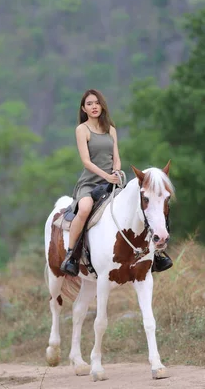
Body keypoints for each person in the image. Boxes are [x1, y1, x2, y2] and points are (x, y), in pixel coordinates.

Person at [60, 89, 172, 277]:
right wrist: (106, 175)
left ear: (102, 105)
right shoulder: (82, 129)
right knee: (86, 208)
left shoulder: (110, 129)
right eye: (89, 104)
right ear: (83, 108)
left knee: (139, 207)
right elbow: (86, 162)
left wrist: (117, 171)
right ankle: (71, 255)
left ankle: (156, 252)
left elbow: (116, 157)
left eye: (97, 102)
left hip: (112, 180)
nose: (94, 106)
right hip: (90, 182)